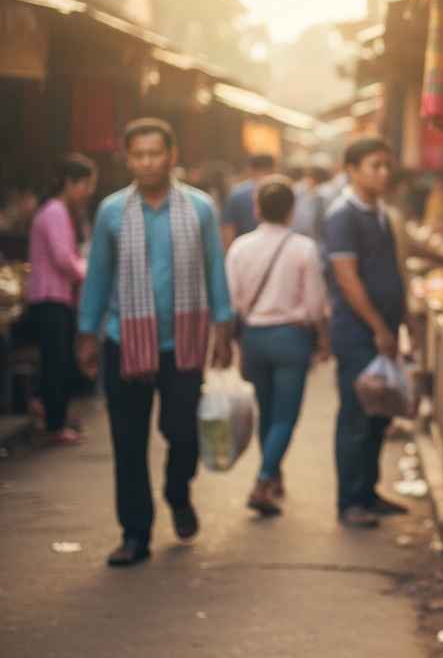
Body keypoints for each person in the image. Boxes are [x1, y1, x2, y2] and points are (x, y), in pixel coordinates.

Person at [76, 118, 234, 567]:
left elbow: (214, 269)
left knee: (183, 434)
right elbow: (98, 276)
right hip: (122, 339)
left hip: (182, 343)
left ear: (172, 155)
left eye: (155, 153)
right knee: (128, 442)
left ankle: (177, 491)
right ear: (128, 159)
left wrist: (223, 327)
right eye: (138, 155)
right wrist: (87, 334)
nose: (147, 162)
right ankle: (135, 533)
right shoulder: (110, 211)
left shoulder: (200, 209)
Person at [226, 177, 329, 516]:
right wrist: (323, 337)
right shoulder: (304, 248)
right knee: (285, 416)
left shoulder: (240, 247)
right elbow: (315, 305)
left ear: (257, 208)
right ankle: (263, 479)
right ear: (291, 209)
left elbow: (233, 301)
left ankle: (273, 477)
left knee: (267, 411)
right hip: (291, 338)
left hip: (254, 338)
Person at [324, 137, 407, 529]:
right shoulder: (342, 215)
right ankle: (349, 502)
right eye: (375, 166)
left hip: (382, 330)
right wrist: (377, 327)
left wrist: (397, 326)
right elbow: (347, 279)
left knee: (378, 415)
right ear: (352, 170)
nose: (384, 173)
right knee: (357, 415)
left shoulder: (379, 213)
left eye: (386, 165)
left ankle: (368, 492)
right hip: (358, 334)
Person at [27, 154, 98, 445]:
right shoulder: (55, 211)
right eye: (86, 185)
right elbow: (63, 258)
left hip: (55, 297)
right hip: (51, 297)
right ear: (70, 183)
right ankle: (55, 425)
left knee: (54, 360)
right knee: (57, 361)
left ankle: (50, 413)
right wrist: (89, 273)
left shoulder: (56, 210)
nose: (88, 193)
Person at [221, 153, 277, 249]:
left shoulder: (236, 194)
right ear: (274, 168)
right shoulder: (280, 192)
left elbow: (228, 231)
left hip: (244, 250)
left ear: (250, 169)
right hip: (277, 251)